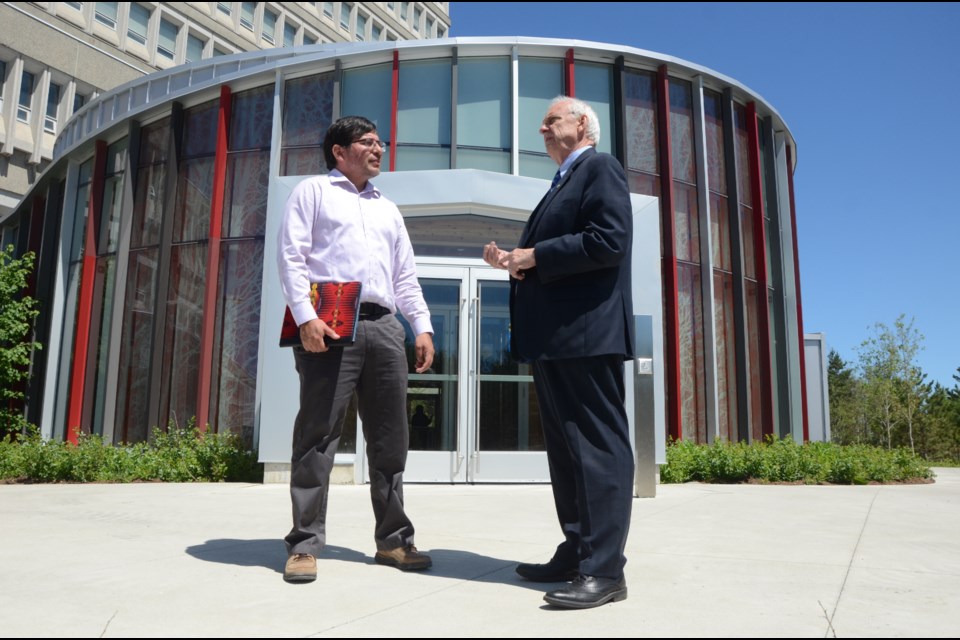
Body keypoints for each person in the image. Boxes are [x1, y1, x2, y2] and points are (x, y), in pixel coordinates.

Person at [483, 96, 635, 609]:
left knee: (596, 448)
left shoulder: (600, 168)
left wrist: (535, 255)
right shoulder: (561, 183)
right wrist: (516, 261)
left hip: (587, 335)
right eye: (543, 123)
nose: (542, 128)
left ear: (584, 124)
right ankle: (577, 552)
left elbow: (609, 240)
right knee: (568, 453)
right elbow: (561, 252)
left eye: (553, 120)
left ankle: (605, 570)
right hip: (555, 339)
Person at [277, 115, 435, 583]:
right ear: (339, 152)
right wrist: (306, 318)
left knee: (390, 440)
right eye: (367, 142)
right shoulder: (313, 192)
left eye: (379, 141)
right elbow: (291, 257)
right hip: (329, 324)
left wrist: (420, 326)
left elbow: (404, 275)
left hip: (385, 327)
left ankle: (394, 542)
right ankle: (304, 544)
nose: (378, 148)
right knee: (318, 435)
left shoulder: (388, 208)